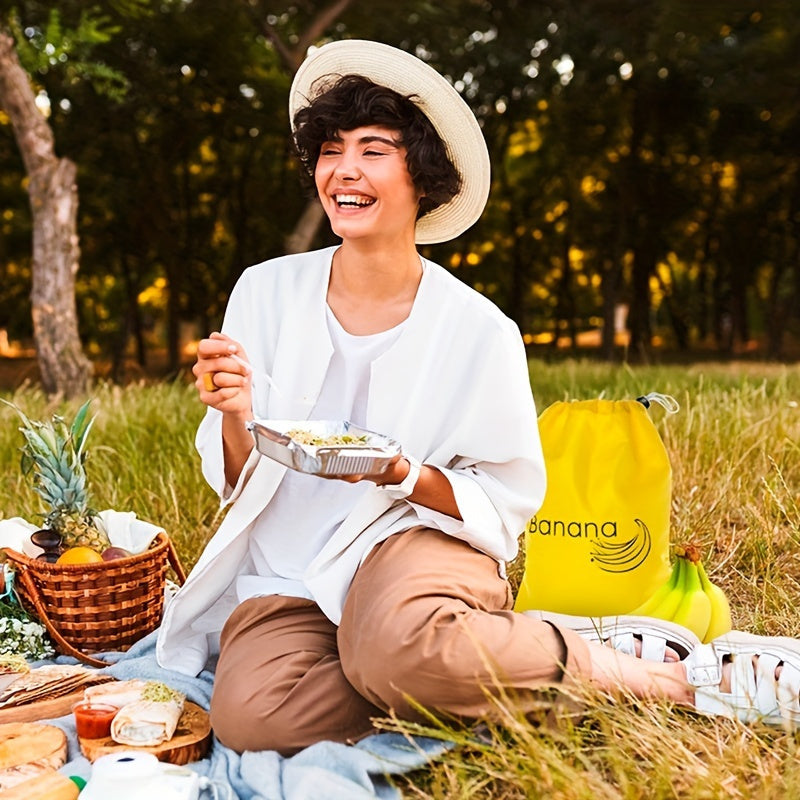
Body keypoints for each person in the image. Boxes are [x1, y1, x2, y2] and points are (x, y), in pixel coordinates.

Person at [156, 39, 800, 755]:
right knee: (255, 723)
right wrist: (234, 413)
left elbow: (505, 498)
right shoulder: (264, 291)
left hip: (409, 539)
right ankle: (495, 651)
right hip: (289, 571)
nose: (345, 169)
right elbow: (238, 479)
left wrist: (401, 473)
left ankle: (669, 679)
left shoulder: (479, 330)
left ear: (422, 176)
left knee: (393, 653)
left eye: (374, 149)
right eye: (332, 148)